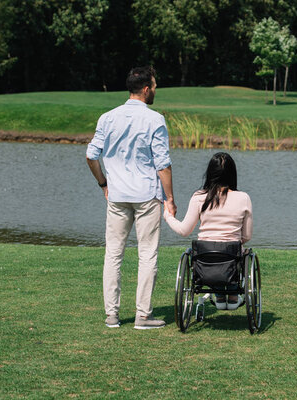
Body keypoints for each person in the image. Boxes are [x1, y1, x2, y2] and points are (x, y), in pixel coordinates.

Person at [86, 66, 177, 329]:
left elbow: (91, 156)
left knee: (113, 254)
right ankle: (142, 316)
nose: (156, 90)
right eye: (155, 86)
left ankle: (112, 315)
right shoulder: (155, 119)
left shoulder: (107, 118)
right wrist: (169, 198)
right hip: (147, 195)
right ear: (146, 89)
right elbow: (163, 165)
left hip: (117, 196)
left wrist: (103, 183)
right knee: (147, 254)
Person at [163, 152, 252, 310]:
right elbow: (247, 236)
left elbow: (184, 230)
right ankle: (232, 296)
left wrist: (168, 217)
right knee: (239, 251)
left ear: (210, 173)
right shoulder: (243, 198)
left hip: (204, 257)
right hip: (231, 255)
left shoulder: (199, 197)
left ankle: (218, 295)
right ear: (233, 174)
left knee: (211, 252)